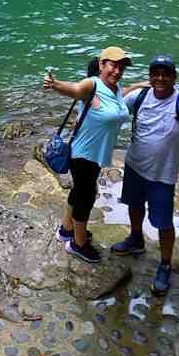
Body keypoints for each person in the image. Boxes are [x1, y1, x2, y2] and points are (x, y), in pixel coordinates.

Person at [111, 54, 179, 295]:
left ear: (174, 77)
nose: (160, 78)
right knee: (134, 205)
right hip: (135, 165)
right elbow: (113, 108)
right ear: (150, 76)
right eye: (155, 73)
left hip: (163, 175)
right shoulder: (141, 96)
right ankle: (136, 239)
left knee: (164, 223)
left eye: (165, 73)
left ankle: (165, 264)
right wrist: (131, 86)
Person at [43, 46, 134, 263]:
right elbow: (75, 89)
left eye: (121, 67)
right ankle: (78, 244)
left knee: (79, 191)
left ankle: (66, 229)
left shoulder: (116, 88)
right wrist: (55, 84)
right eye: (113, 65)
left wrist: (141, 85)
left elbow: (123, 94)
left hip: (95, 154)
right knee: (86, 197)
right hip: (84, 155)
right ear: (102, 65)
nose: (117, 71)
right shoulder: (92, 84)